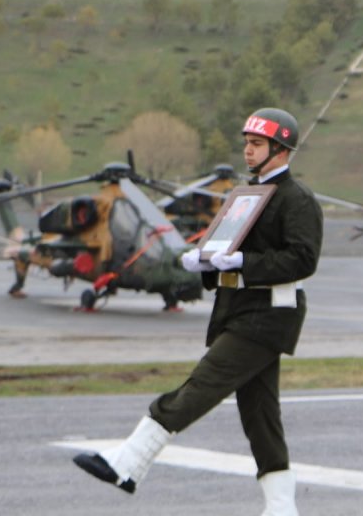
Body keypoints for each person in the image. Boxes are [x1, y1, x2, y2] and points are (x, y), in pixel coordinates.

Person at [72, 107, 323, 516]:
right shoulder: (247, 195)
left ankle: (130, 462)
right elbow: (226, 249)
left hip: (268, 317)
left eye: (257, 144)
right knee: (260, 416)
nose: (248, 150)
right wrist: (204, 263)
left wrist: (242, 263)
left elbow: (302, 260)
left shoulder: (297, 200)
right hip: (238, 312)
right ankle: (281, 507)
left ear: (281, 150)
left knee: (200, 385)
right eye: (247, 142)